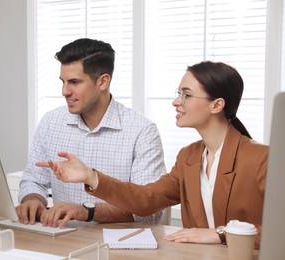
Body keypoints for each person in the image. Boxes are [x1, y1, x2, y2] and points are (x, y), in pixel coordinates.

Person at [36, 61, 268, 249]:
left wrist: (220, 234)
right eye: (179, 93)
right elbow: (146, 199)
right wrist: (90, 176)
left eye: (186, 95)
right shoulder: (189, 157)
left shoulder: (262, 159)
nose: (176, 101)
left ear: (216, 105)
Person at [16, 38, 166, 227]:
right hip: (62, 241)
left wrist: (87, 211)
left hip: (117, 249)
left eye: (74, 82)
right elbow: (33, 180)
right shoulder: (50, 122)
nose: (64, 91)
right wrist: (33, 200)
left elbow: (148, 213)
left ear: (103, 81)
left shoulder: (141, 131)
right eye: (63, 82)